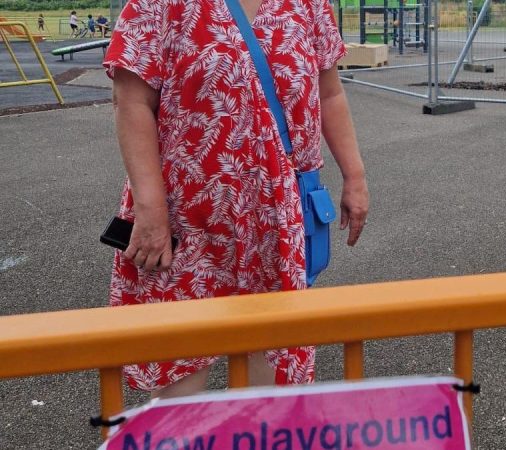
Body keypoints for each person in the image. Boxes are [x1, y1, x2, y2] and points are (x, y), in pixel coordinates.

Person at [103, 0, 369, 398]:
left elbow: (328, 94)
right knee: (181, 389)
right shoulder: (159, 4)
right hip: (184, 218)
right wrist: (151, 211)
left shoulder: (307, 5)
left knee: (271, 380)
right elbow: (132, 103)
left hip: (275, 218)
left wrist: (355, 176)